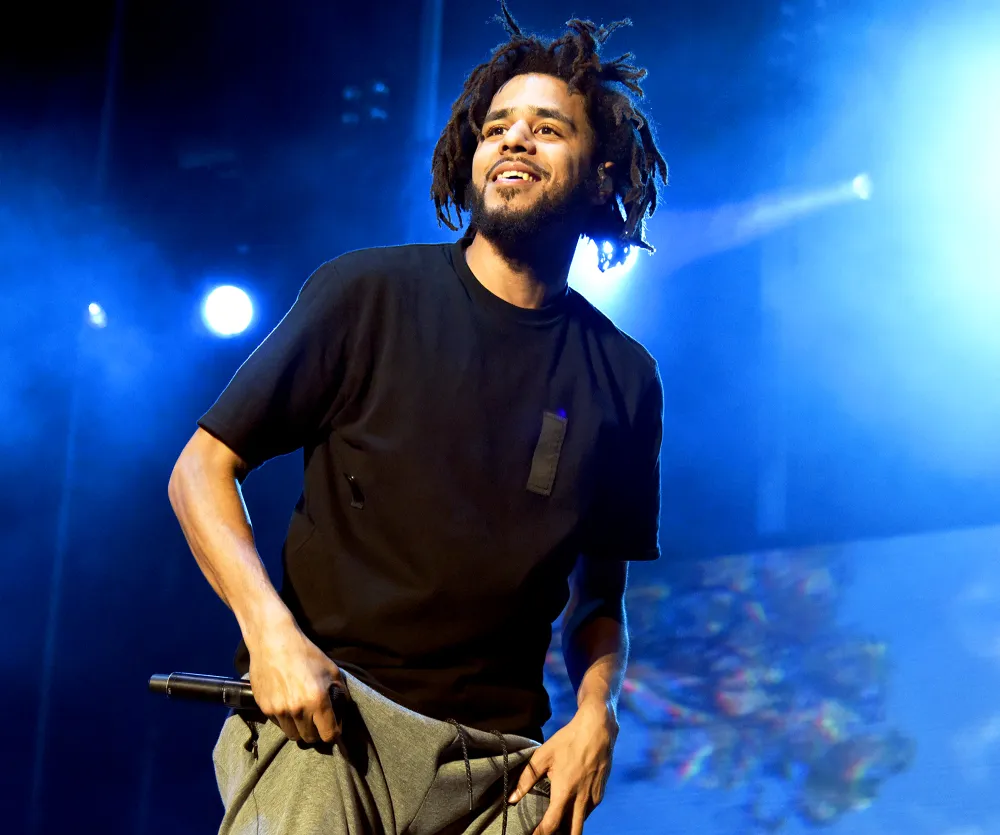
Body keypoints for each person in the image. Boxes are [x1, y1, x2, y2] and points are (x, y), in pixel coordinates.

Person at [168, 3, 668, 834]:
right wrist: (270, 635)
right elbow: (201, 468)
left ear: (601, 174)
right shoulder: (367, 295)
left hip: (501, 769)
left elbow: (599, 595)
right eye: (497, 127)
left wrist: (597, 712)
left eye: (547, 129)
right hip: (330, 725)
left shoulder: (625, 376)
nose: (514, 139)